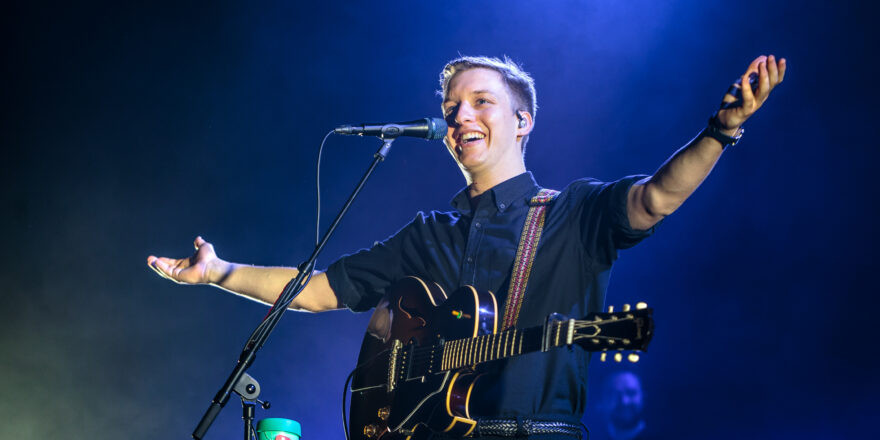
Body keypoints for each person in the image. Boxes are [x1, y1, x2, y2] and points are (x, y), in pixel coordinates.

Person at [148, 55, 785, 439]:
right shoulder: (430, 233)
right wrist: (220, 272)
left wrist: (720, 131)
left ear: (522, 120)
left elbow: (655, 199)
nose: (460, 116)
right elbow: (320, 290)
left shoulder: (573, 213)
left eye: (482, 101)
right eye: (452, 107)